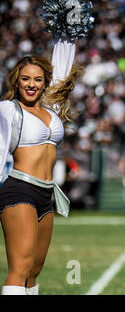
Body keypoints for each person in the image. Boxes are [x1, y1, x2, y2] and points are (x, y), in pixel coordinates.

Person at [0, 39, 80, 295]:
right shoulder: (7, 110)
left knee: (35, 267)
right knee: (20, 266)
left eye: (37, 79)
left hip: (47, 192)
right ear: (16, 81)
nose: (31, 85)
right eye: (25, 79)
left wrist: (68, 34)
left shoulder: (51, 110)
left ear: (45, 82)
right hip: (19, 188)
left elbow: (64, 70)